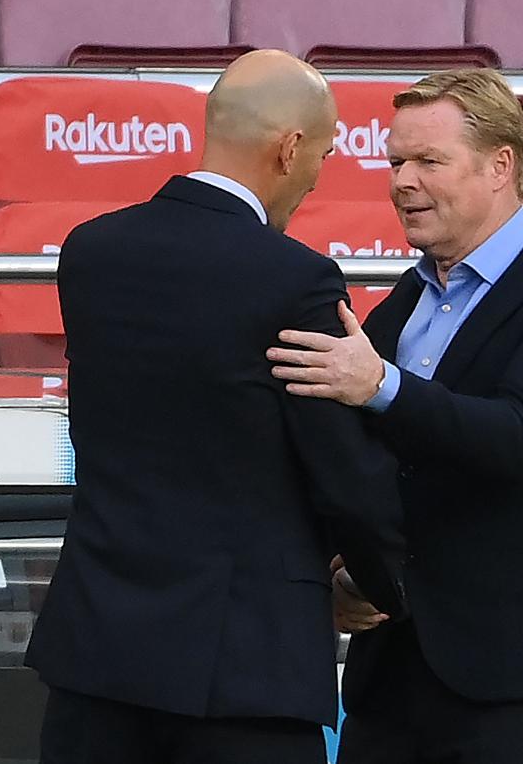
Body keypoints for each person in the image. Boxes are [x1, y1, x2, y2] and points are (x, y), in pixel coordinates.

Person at [25, 49, 407, 764]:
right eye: (322, 155)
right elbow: (344, 473)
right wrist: (378, 580)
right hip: (242, 672)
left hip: (98, 654)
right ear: (289, 149)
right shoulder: (296, 280)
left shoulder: (90, 253)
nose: (318, 174)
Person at [267, 67, 523, 763]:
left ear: (501, 167)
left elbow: (519, 438)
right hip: (396, 676)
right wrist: (345, 571)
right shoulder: (404, 303)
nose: (402, 181)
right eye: (395, 161)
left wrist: (381, 386)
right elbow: (366, 463)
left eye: (428, 161)